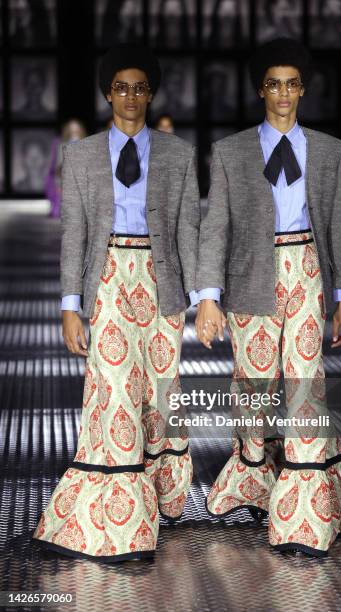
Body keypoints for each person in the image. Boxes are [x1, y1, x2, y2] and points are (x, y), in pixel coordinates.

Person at [194, 37, 341, 557]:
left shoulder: (329, 151)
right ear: (260, 90)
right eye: (273, 84)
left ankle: (303, 515)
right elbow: (216, 227)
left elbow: (336, 228)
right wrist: (209, 296)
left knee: (305, 385)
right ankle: (253, 482)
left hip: (307, 271)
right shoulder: (230, 152)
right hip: (251, 276)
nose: (283, 93)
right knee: (253, 387)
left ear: (302, 90)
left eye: (291, 84)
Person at [33, 43, 201, 562]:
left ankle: (160, 501)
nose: (130, 96)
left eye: (140, 87)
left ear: (150, 94)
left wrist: (206, 298)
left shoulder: (178, 153)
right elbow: (74, 233)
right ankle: (116, 526)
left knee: (158, 394)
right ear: (109, 93)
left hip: (162, 285)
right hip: (106, 279)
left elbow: (188, 227)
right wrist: (69, 304)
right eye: (121, 87)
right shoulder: (81, 155)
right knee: (111, 392)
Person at [46, 119, 87, 219]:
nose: (74, 129)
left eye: (76, 127)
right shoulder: (62, 144)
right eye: (72, 127)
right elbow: (59, 163)